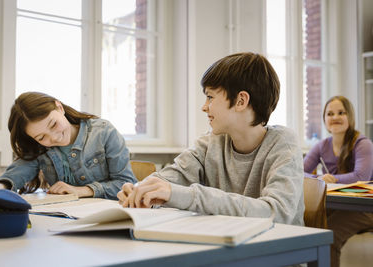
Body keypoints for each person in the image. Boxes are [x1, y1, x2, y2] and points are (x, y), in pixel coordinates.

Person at [117, 52, 305, 226]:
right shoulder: (211, 142)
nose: (204, 107)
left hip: (278, 252)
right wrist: (140, 190)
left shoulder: (284, 144)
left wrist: (187, 196)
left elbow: (277, 212)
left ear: (241, 101)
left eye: (210, 97)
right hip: (228, 245)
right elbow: (170, 179)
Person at [0, 92, 136, 203]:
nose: (54, 137)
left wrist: (82, 190)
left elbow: (126, 183)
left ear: (59, 107)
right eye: (41, 137)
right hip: (64, 220)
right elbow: (16, 174)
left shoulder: (103, 132)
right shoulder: (39, 148)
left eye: (53, 124)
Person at [304, 95, 373, 267]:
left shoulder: (363, 144)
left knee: (328, 235)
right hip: (337, 205)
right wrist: (319, 178)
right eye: (330, 114)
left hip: (364, 209)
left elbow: (361, 178)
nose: (335, 117)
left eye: (341, 112)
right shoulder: (321, 145)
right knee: (309, 228)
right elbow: (299, 172)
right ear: (324, 120)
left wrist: (333, 179)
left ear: (350, 116)